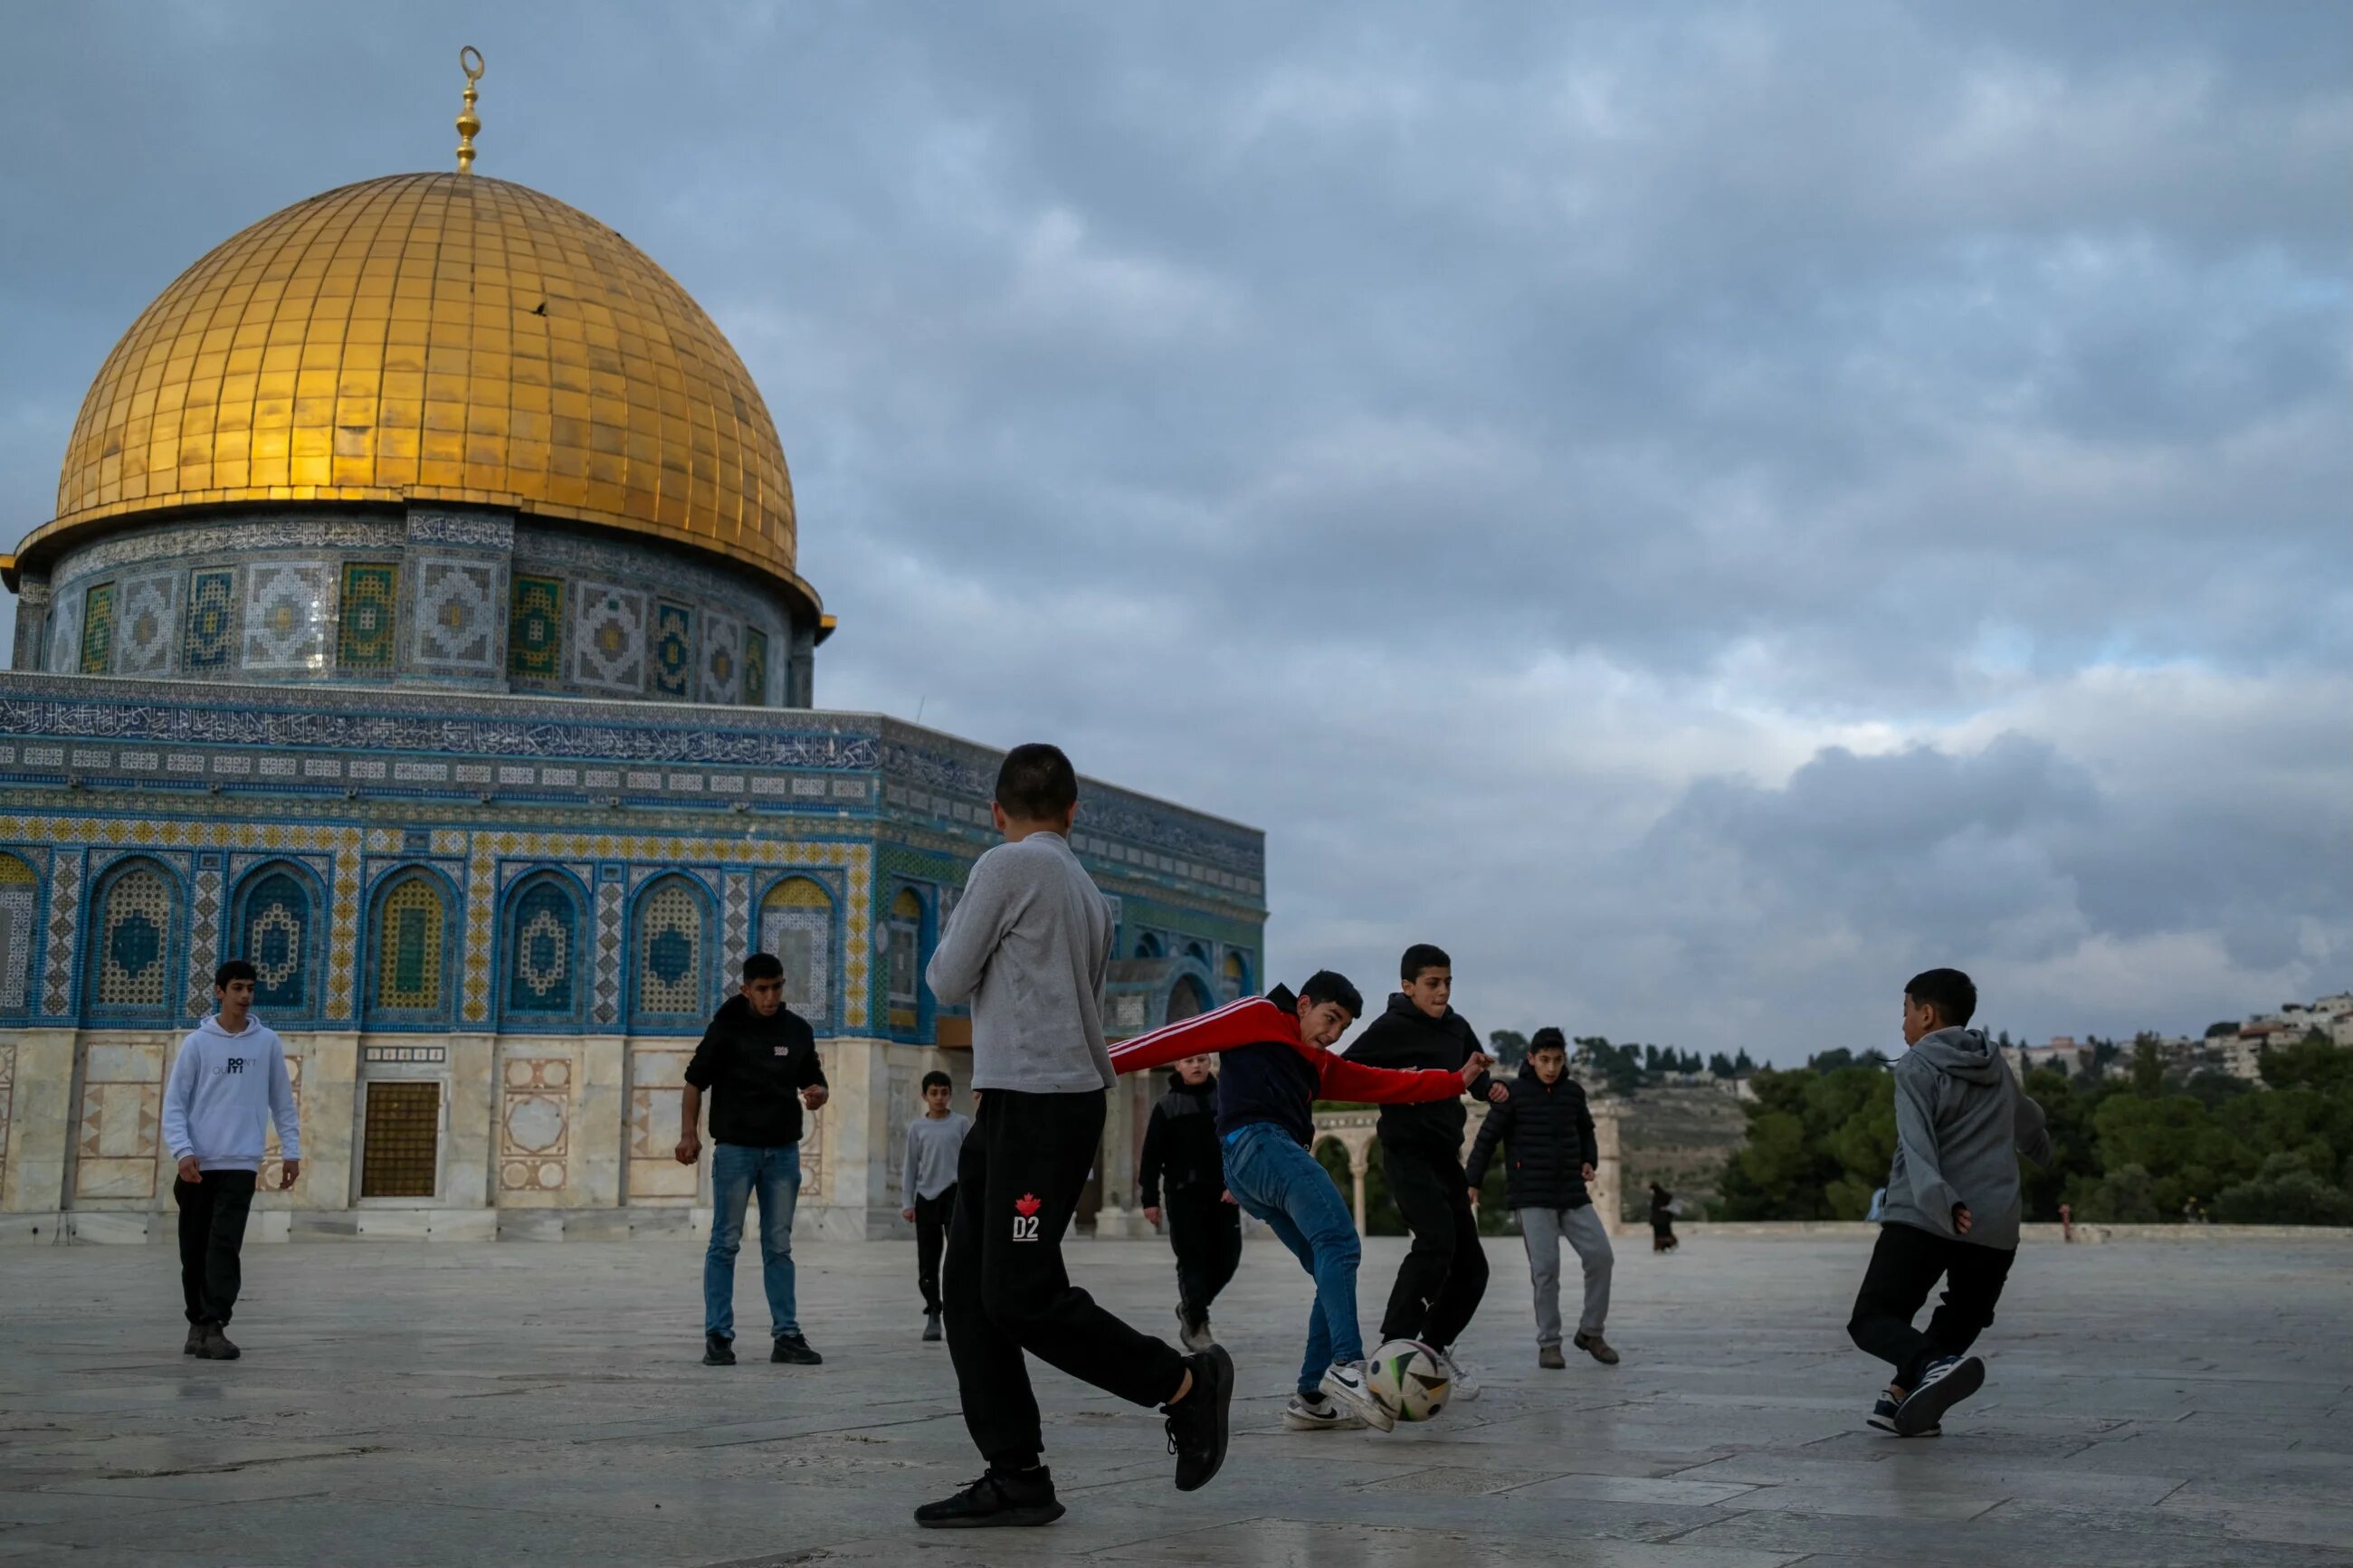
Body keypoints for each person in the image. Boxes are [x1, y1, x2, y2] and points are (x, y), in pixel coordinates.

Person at [917, 743, 1230, 1529]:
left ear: (998, 811)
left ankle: (1184, 1386)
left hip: (1038, 1104)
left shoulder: (1006, 865)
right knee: (969, 1293)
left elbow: (948, 978)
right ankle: (1015, 1472)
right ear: (1072, 812)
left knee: (1020, 1294)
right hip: (1026, 1105)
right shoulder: (1090, 892)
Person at [1107, 974, 1490, 1433]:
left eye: (1342, 1029)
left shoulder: (1317, 1063)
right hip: (1260, 1144)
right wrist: (1091, 1064)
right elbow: (1175, 1037)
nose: (1332, 1035)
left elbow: (1382, 1083)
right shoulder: (1259, 1015)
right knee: (1341, 1243)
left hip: (1256, 1167)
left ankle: (1310, 1397)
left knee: (1328, 1264)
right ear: (1304, 1004)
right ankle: (1347, 1363)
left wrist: (1453, 1082)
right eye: (1329, 1019)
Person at [1847, 967, 2052, 1438]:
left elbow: (1918, 1146)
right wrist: (2040, 1146)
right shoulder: (1995, 1064)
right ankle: (1900, 1397)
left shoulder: (1917, 1066)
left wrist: (1942, 1201)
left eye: (1904, 1013)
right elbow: (2030, 1118)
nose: (1902, 1026)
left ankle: (1931, 1365)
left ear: (1926, 1013)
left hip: (1929, 1216)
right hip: (1997, 1224)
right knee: (1965, 1312)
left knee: (1872, 1319)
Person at [1342, 944, 1500, 1395]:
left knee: (1473, 1268)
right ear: (1408, 986)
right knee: (1436, 1242)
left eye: (1448, 982)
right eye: (1433, 983)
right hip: (1407, 1154)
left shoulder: (1456, 1027)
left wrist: (1491, 1089)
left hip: (1445, 1155)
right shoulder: (1390, 1028)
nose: (1443, 991)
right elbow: (1344, 1070)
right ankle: (1393, 1345)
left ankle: (1431, 1350)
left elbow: (1474, 1070)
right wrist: (1395, 1083)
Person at [677, 953, 829, 1369]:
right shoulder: (726, 1029)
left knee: (778, 1244)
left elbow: (814, 1081)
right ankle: (719, 1336)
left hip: (782, 1151)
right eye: (762, 989)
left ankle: (787, 1335)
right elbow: (694, 1082)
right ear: (745, 989)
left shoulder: (797, 1030)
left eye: (777, 987)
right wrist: (689, 1133)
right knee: (725, 1242)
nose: (771, 996)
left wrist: (818, 1094)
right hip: (736, 1150)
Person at [162, 959, 300, 1361]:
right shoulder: (198, 1043)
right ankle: (196, 1325)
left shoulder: (266, 1042)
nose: (245, 996)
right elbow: (175, 1104)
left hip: (240, 1161)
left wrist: (291, 1151)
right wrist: (183, 1151)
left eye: (250, 989)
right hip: (200, 1164)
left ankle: (215, 1324)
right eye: (237, 988)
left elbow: (281, 1101)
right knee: (194, 1248)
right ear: (219, 992)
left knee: (224, 1246)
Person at [1464, 1026, 1616, 1369]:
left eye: (1558, 1060)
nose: (1551, 1067)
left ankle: (1591, 1332)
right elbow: (1486, 1139)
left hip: (1572, 1194)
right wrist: (1472, 1181)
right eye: (1545, 1060)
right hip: (1532, 1195)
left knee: (1601, 1257)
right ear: (1531, 1059)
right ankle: (1549, 1343)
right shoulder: (1513, 1094)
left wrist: (1588, 1159)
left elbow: (1586, 1130)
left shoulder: (1574, 1094)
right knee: (1546, 1270)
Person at [1138, 1055, 1240, 1352]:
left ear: (1210, 1063)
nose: (1196, 1066)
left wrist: (1237, 1185)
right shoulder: (1166, 1107)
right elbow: (1151, 1156)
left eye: (1201, 1060)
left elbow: (1239, 1146)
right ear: (1177, 1066)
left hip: (1224, 1195)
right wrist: (1150, 1200)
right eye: (1188, 1061)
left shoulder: (1227, 1101)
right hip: (1183, 1196)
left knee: (1227, 1259)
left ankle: (1191, 1306)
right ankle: (1197, 1322)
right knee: (1192, 1259)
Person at [901, 1070, 970, 1343]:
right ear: (925, 1096)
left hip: (955, 1195)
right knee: (928, 1261)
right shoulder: (918, 1128)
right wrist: (908, 1203)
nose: (939, 1098)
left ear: (950, 1094)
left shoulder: (961, 1123)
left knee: (958, 1257)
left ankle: (961, 1313)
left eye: (944, 1092)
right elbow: (910, 1166)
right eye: (934, 1093)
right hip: (926, 1198)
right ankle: (934, 1311)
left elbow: (971, 1161)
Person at [1649, 1183, 1679, 1252]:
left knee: (1664, 1233)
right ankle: (1662, 1246)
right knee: (1661, 1234)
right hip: (1659, 1220)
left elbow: (1671, 1204)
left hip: (1662, 1219)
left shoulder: (1663, 1197)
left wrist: (1665, 1208)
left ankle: (1666, 1245)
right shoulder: (1657, 1197)